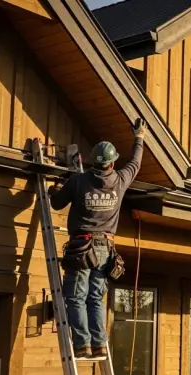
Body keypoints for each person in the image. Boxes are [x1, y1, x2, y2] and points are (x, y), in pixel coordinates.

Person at [49, 120, 147, 358]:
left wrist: (54, 189)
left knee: (75, 297)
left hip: (81, 246)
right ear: (112, 163)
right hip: (105, 248)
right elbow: (135, 162)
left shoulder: (79, 181)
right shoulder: (121, 180)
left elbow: (56, 203)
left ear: (93, 161)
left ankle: (82, 344)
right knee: (95, 297)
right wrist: (139, 137)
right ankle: (100, 344)